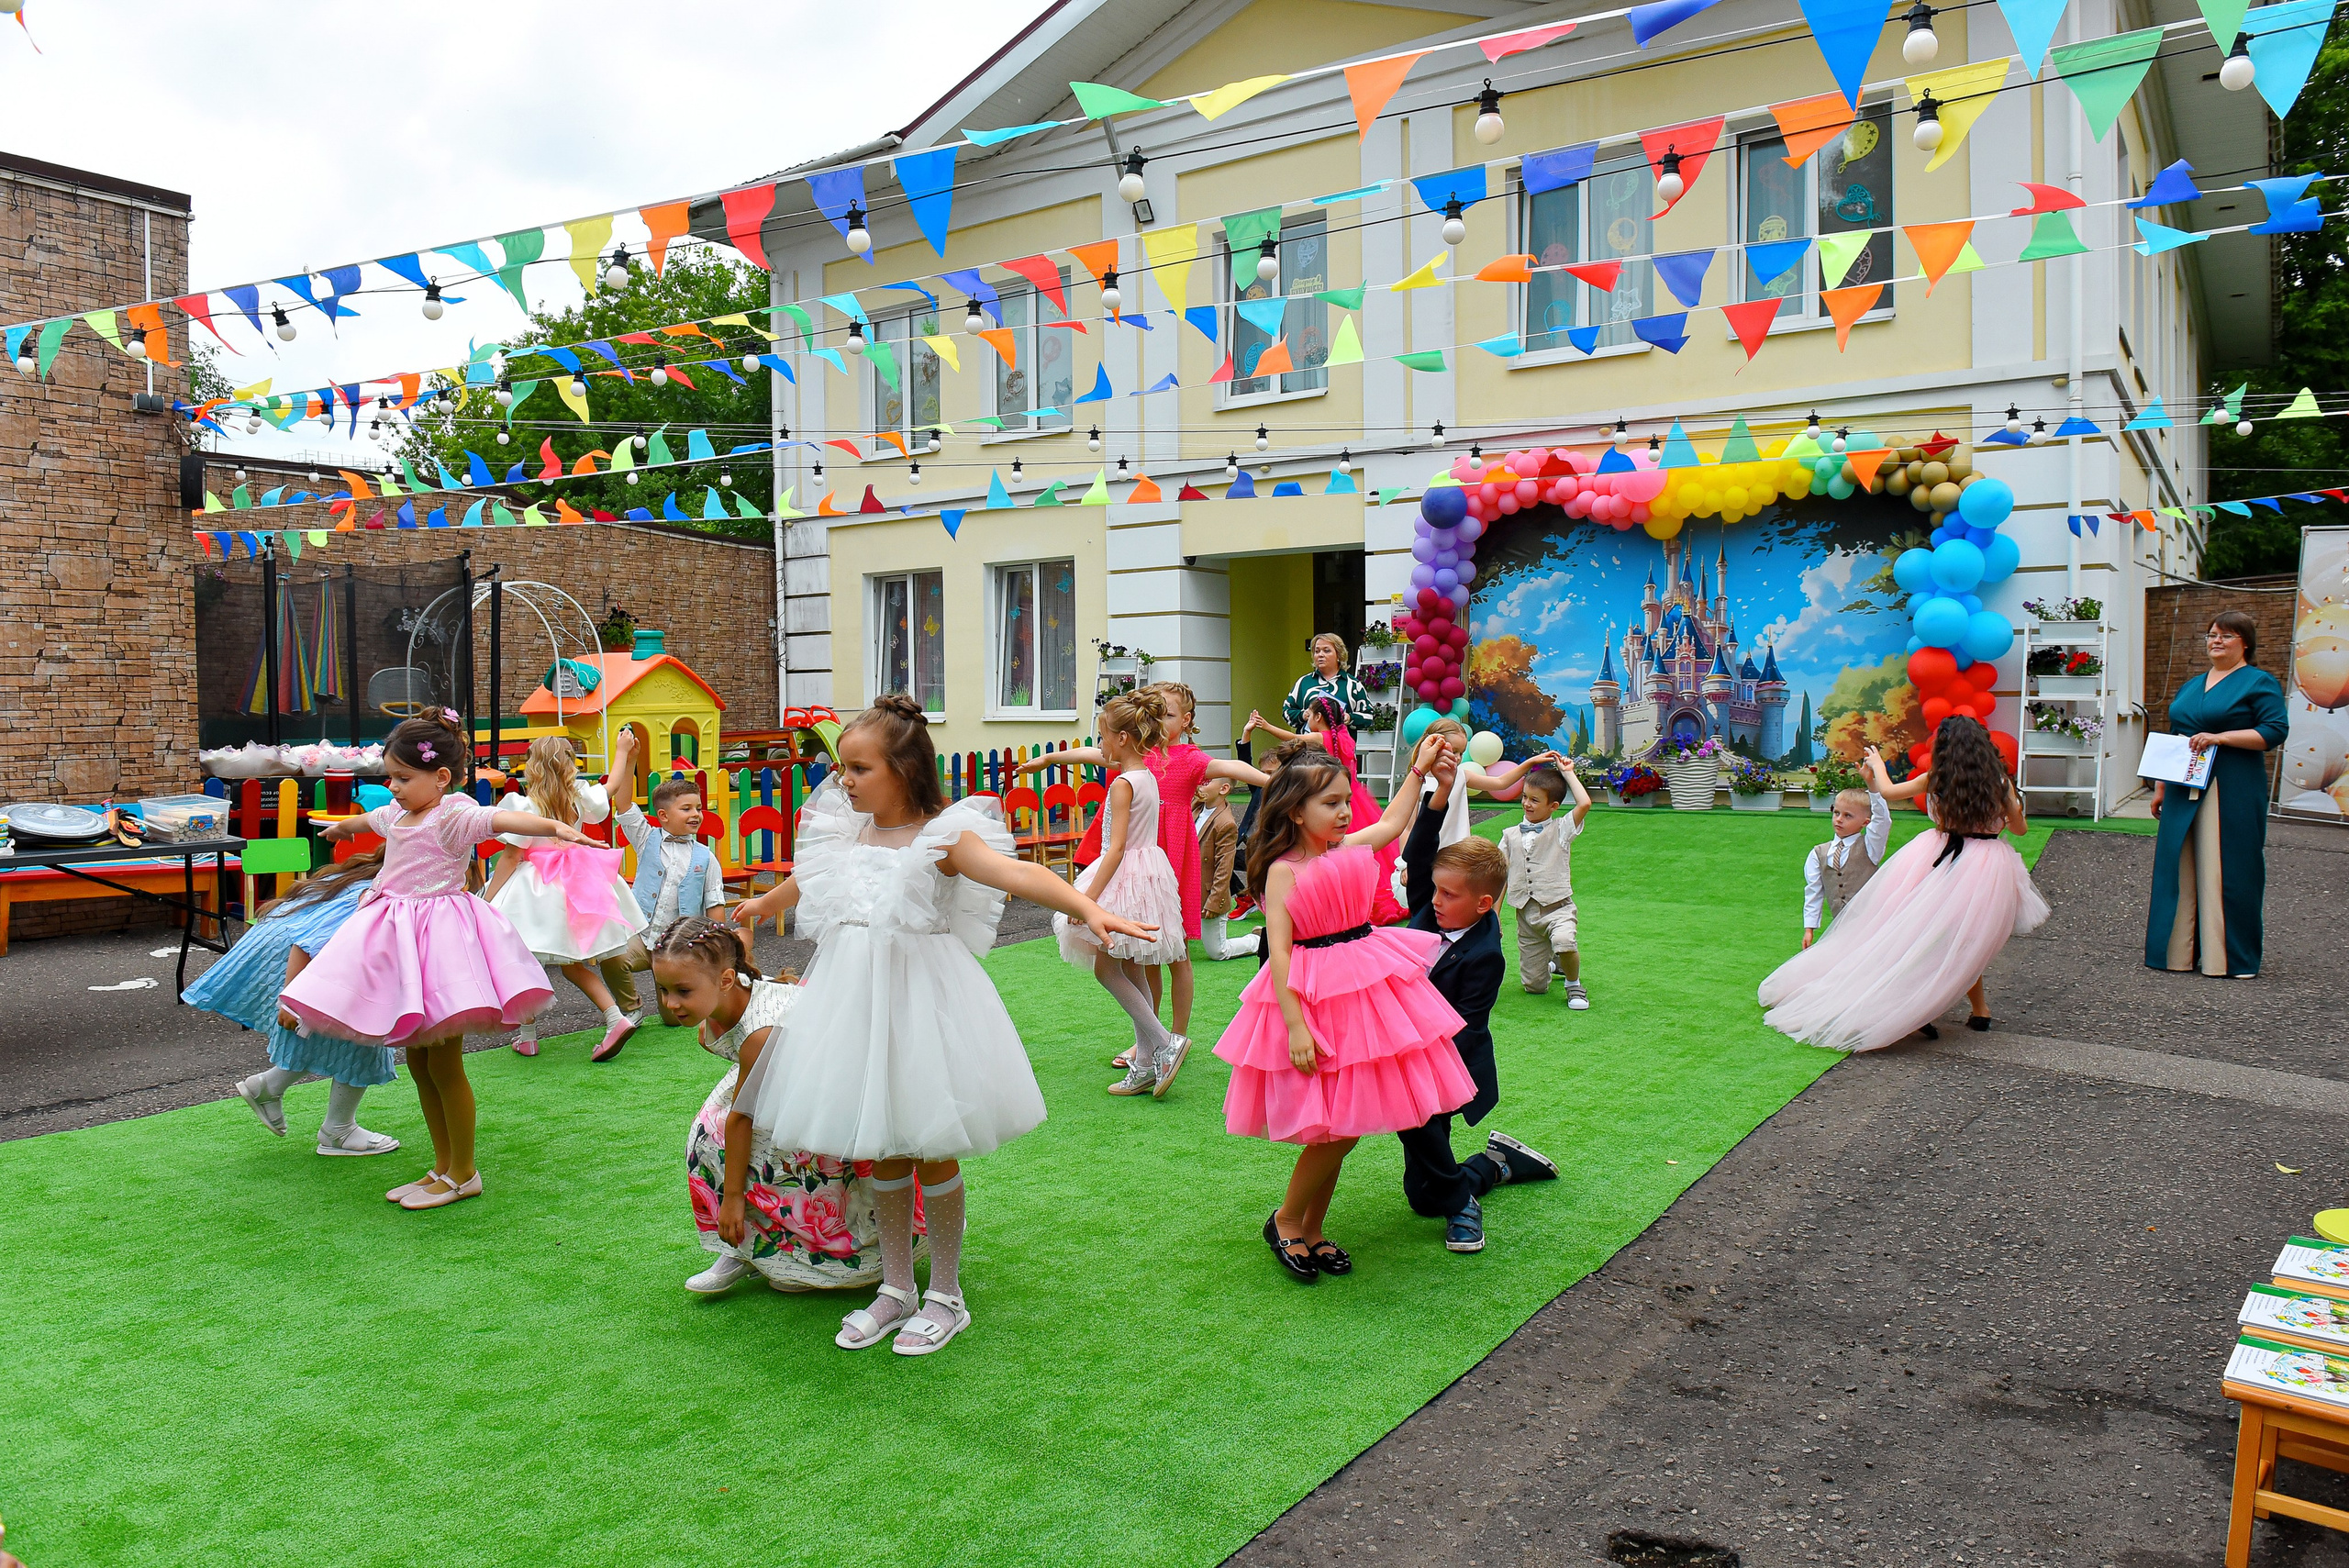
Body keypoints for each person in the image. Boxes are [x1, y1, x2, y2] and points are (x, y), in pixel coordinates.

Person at [728, 695, 1157, 1354]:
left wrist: (1085, 906)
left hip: (924, 1004)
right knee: (885, 1144)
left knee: (930, 1142)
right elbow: (811, 880)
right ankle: (896, 1287)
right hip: (856, 1002)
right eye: (843, 767)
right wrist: (763, 901)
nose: (845, 779)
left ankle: (947, 1294)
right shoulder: (849, 830)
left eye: (860, 768)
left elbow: (1016, 871)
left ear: (904, 769)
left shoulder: (944, 836)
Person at [284, 709, 589, 1211]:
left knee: (444, 1065)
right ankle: (444, 1166)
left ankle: (464, 1171)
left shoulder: (453, 815)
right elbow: (368, 819)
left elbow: (503, 820)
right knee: (422, 1063)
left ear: (441, 777)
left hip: (441, 949)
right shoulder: (397, 816)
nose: (394, 787)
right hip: (403, 949)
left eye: (404, 778)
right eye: (390, 777)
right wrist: (341, 829)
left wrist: (555, 825)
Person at [1214, 733, 1476, 1282]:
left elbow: (1388, 825)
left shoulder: (1349, 847)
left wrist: (1418, 772)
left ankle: (1310, 1229)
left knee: (1344, 1126)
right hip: (1316, 995)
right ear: (1295, 809)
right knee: (1334, 1128)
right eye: (1329, 804)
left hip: (1363, 986)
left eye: (1344, 801)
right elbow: (1279, 952)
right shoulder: (1284, 870)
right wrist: (1295, 1026)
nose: (1342, 812)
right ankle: (1288, 1222)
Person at [656, 918, 918, 1296]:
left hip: (830, 1099)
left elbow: (742, 1118)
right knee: (709, 1135)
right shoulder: (722, 1001)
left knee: (731, 1139)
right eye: (663, 989)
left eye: (682, 990)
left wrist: (731, 1200)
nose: (670, 1003)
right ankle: (744, 1248)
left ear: (726, 980)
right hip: (784, 1084)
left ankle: (773, 1246)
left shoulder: (760, 1032)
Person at [1756, 717, 2047, 1051]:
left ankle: (1936, 1003)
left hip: (1940, 860)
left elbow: (1891, 791)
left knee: (1923, 935)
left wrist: (1878, 765)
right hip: (1986, 868)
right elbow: (2021, 829)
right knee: (1969, 939)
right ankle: (1976, 1009)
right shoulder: (2000, 783)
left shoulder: (1937, 779)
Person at [1021, 683, 1264, 1059]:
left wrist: (1278, 781)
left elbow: (1233, 767)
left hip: (1168, 864)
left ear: (1185, 721)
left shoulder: (1190, 760)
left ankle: (1176, 1038)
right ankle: (1151, 1039)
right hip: (1135, 867)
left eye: (1166, 715)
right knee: (1140, 955)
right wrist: (1051, 760)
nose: (1157, 721)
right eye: (1154, 713)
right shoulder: (1137, 756)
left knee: (1177, 954)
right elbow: (1093, 753)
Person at [1397, 740, 1558, 1253]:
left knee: (1421, 1152)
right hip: (1407, 1048)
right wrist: (1440, 794)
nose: (1434, 900)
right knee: (1420, 1179)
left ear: (1484, 903)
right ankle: (1494, 1166)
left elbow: (1465, 1024)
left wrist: (1409, 1048)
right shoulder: (1430, 908)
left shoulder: (1486, 954)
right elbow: (1419, 851)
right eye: (1435, 891)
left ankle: (1472, 1189)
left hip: (1447, 1061)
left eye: (1449, 895)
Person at [187, 851, 402, 1157]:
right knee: (362, 1031)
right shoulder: (385, 893)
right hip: (296, 954)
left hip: (289, 946)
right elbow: (310, 941)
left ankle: (272, 1088)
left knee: (339, 1029)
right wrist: (291, 999)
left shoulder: (369, 876)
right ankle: (337, 1128)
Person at [1052, 689, 1193, 1098]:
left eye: (1102, 737)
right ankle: (1147, 1062)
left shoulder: (1122, 785)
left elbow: (1114, 848)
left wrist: (1088, 900)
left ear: (1123, 739)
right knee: (1131, 968)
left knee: (1106, 968)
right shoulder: (1148, 775)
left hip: (1124, 876)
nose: (1101, 745)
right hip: (1148, 873)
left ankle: (1165, 1043)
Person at [2144, 610, 2291, 978]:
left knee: (2231, 867)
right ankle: (2175, 953)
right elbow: (2177, 733)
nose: (2216, 641)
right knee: (2177, 864)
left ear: (2245, 643)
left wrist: (2221, 738)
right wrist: (2161, 785)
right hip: (2182, 784)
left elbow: (2274, 731)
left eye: (2226, 636)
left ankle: (2229, 959)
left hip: (2233, 785)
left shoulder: (2258, 682)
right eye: (2211, 635)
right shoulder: (2191, 684)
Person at [484, 735, 649, 1061]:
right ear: (570, 765)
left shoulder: (524, 806)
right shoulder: (579, 797)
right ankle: (614, 1017)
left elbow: (511, 857)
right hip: (574, 881)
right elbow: (612, 786)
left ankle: (528, 1035)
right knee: (573, 964)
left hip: (535, 889)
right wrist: (621, 751)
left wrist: (488, 900)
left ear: (531, 766)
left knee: (522, 961)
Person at [1245, 695, 1406, 926]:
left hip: (1328, 796)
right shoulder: (1344, 736)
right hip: (1353, 795)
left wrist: (1267, 726)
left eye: (1309, 715)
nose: (1307, 719)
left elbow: (1293, 737)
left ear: (1318, 717)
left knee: (1332, 847)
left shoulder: (1320, 736)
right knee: (1361, 846)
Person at [605, 725, 728, 982]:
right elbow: (625, 805)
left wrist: (717, 948)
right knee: (613, 957)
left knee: (674, 1019)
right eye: (686, 809)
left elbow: (715, 905)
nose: (695, 814)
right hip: (641, 936)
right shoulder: (646, 838)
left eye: (698, 808)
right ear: (663, 816)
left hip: (679, 947)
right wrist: (631, 761)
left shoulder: (706, 857)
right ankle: (631, 1007)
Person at [1500, 762, 1593, 1006]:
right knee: (1534, 987)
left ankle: (1573, 984)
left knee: (1564, 940)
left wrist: (1567, 773)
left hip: (1557, 907)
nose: (1526, 804)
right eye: (1524, 797)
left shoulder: (1562, 829)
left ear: (1553, 806)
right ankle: (1556, 962)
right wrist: (1494, 913)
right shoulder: (1510, 835)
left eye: (1534, 800)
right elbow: (1501, 876)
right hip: (1526, 915)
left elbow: (1584, 804)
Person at [1802, 785, 1893, 949]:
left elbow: (1882, 821)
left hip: (1872, 925)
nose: (1839, 819)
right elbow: (1813, 892)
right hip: (1841, 928)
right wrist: (1809, 928)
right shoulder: (1818, 853)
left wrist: (1873, 787)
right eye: (1836, 813)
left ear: (1865, 822)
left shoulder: (1870, 847)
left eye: (1848, 816)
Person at [1279, 631, 1375, 735]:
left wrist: (1349, 718)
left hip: (1341, 749)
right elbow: (1287, 712)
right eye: (1317, 651)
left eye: (1326, 651)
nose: (1320, 655)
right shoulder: (1303, 683)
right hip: (1308, 748)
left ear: (1339, 655)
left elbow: (1369, 717)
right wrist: (1303, 715)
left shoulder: (1353, 685)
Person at [1195, 774, 1242, 960]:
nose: (1199, 785)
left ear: (1223, 789)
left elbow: (1224, 867)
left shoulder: (1226, 823)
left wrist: (1215, 900)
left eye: (1206, 783)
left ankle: (1256, 941)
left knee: (1218, 951)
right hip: (1189, 888)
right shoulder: (1196, 807)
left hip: (1208, 892)